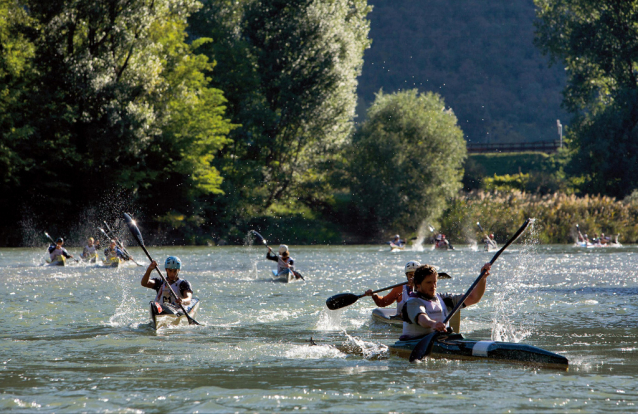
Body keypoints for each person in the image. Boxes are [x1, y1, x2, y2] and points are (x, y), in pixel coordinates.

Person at [401, 262, 491, 340]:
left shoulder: (444, 299)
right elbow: (422, 319)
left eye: (434, 282)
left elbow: (474, 298)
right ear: (418, 284)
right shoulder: (413, 302)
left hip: (441, 340)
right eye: (428, 282)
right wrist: (433, 324)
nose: (433, 286)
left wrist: (482, 279)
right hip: (414, 342)